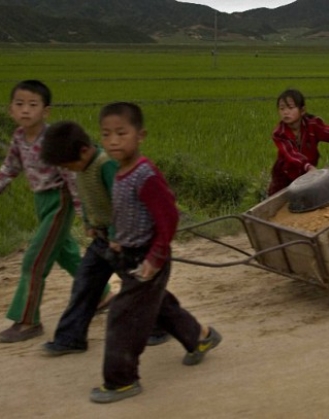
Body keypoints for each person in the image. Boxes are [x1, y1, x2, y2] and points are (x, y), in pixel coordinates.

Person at [90, 102, 221, 403]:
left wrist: (155, 258)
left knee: (123, 318)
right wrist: (116, 238)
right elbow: (126, 212)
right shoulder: (121, 173)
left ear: (140, 135)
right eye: (107, 134)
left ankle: (121, 381)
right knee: (159, 304)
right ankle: (200, 338)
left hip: (148, 258)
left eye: (121, 133)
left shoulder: (145, 175)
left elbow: (168, 218)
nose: (113, 141)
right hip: (130, 255)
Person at [0, 80, 110, 343]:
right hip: (41, 202)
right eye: (20, 104)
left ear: (45, 111)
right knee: (67, 254)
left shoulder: (53, 140)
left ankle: (27, 321)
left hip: (59, 202)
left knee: (34, 260)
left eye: (32, 105)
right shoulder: (18, 138)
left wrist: (86, 216)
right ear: (10, 109)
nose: (25, 110)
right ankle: (103, 293)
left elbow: (72, 179)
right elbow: (9, 167)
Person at [39, 122, 168, 356]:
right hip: (101, 240)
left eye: (69, 165)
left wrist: (118, 235)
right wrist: (88, 222)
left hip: (122, 241)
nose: (70, 170)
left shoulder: (105, 165)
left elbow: (121, 203)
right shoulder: (81, 169)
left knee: (140, 288)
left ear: (84, 151)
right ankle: (70, 338)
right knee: (84, 285)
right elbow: (88, 198)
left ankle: (160, 326)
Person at [268, 89, 329, 196]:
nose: (285, 112)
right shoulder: (279, 133)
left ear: (302, 110)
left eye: (290, 108)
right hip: (285, 176)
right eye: (282, 108)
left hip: (307, 173)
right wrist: (308, 166)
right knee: (277, 202)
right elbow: (291, 154)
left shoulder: (313, 125)